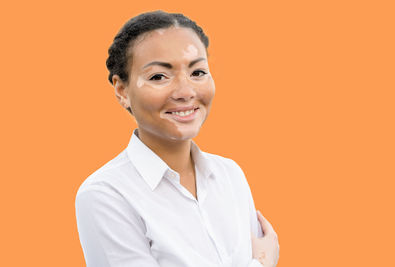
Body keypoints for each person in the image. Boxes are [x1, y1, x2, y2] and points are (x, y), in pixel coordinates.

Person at [75, 10, 279, 267]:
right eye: (159, 76)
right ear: (121, 90)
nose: (186, 91)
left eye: (198, 72)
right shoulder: (106, 195)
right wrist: (261, 262)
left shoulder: (230, 175)